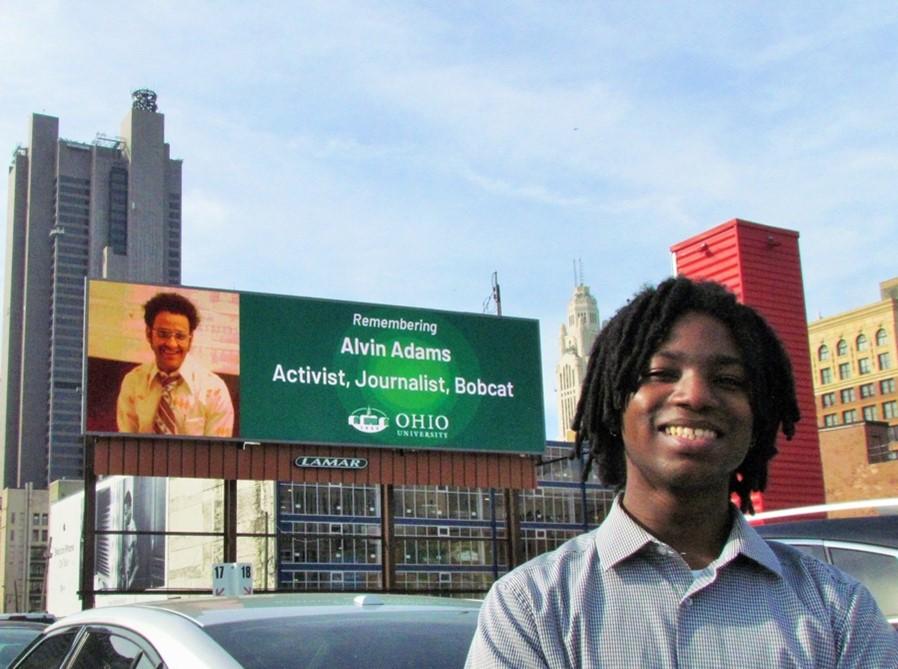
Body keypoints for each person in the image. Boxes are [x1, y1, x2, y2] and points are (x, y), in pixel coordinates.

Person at [466, 276, 898, 668]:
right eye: (661, 373)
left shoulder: (839, 609)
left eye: (728, 380)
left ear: (758, 417)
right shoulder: (530, 608)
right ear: (615, 402)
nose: (694, 395)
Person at [116, 292, 235, 437]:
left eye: (180, 336)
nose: (172, 344)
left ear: (190, 340)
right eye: (163, 334)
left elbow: (216, 455)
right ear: (149, 334)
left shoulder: (215, 391)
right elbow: (125, 447)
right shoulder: (133, 382)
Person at [120, 490, 138, 588]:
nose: (125, 516)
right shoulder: (122, 525)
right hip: (122, 574)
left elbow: (137, 564)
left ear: (130, 508)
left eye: (126, 512)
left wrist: (130, 582)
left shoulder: (133, 528)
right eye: (123, 513)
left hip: (129, 577)